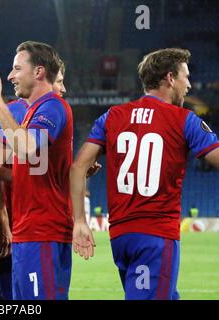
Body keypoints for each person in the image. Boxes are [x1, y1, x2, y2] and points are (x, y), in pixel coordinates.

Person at [70, 48, 219, 300]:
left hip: (121, 236)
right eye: (186, 77)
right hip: (155, 237)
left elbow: (77, 167)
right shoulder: (184, 120)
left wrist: (80, 222)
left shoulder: (112, 116)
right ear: (170, 78)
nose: (189, 85)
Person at [0, 41, 74, 300]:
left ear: (39, 72)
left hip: (43, 232)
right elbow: (31, 170)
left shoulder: (52, 105)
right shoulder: (31, 113)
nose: (10, 76)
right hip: (28, 232)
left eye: (16, 69)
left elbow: (28, 148)